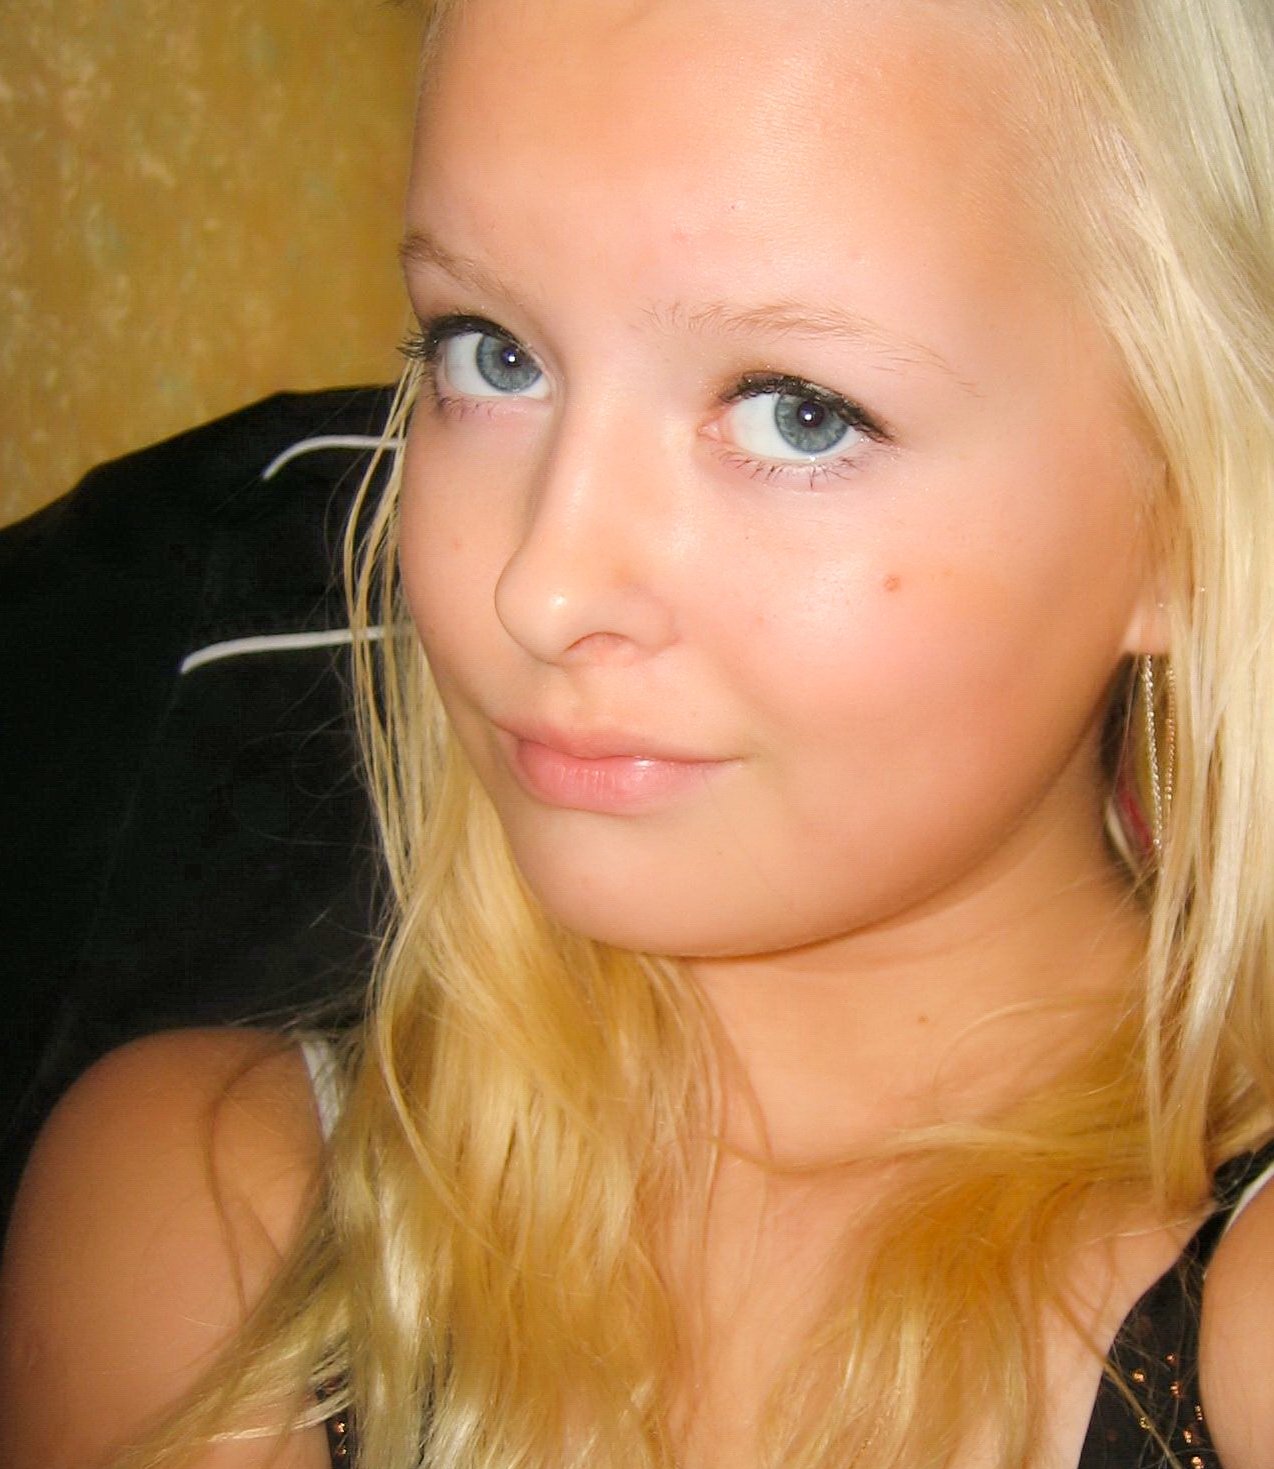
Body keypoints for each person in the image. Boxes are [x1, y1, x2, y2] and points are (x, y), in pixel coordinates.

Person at [3, 0, 1273, 1466]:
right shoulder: (222, 1233)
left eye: (797, 415)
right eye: (491, 355)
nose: (539, 588)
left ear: (1188, 514)